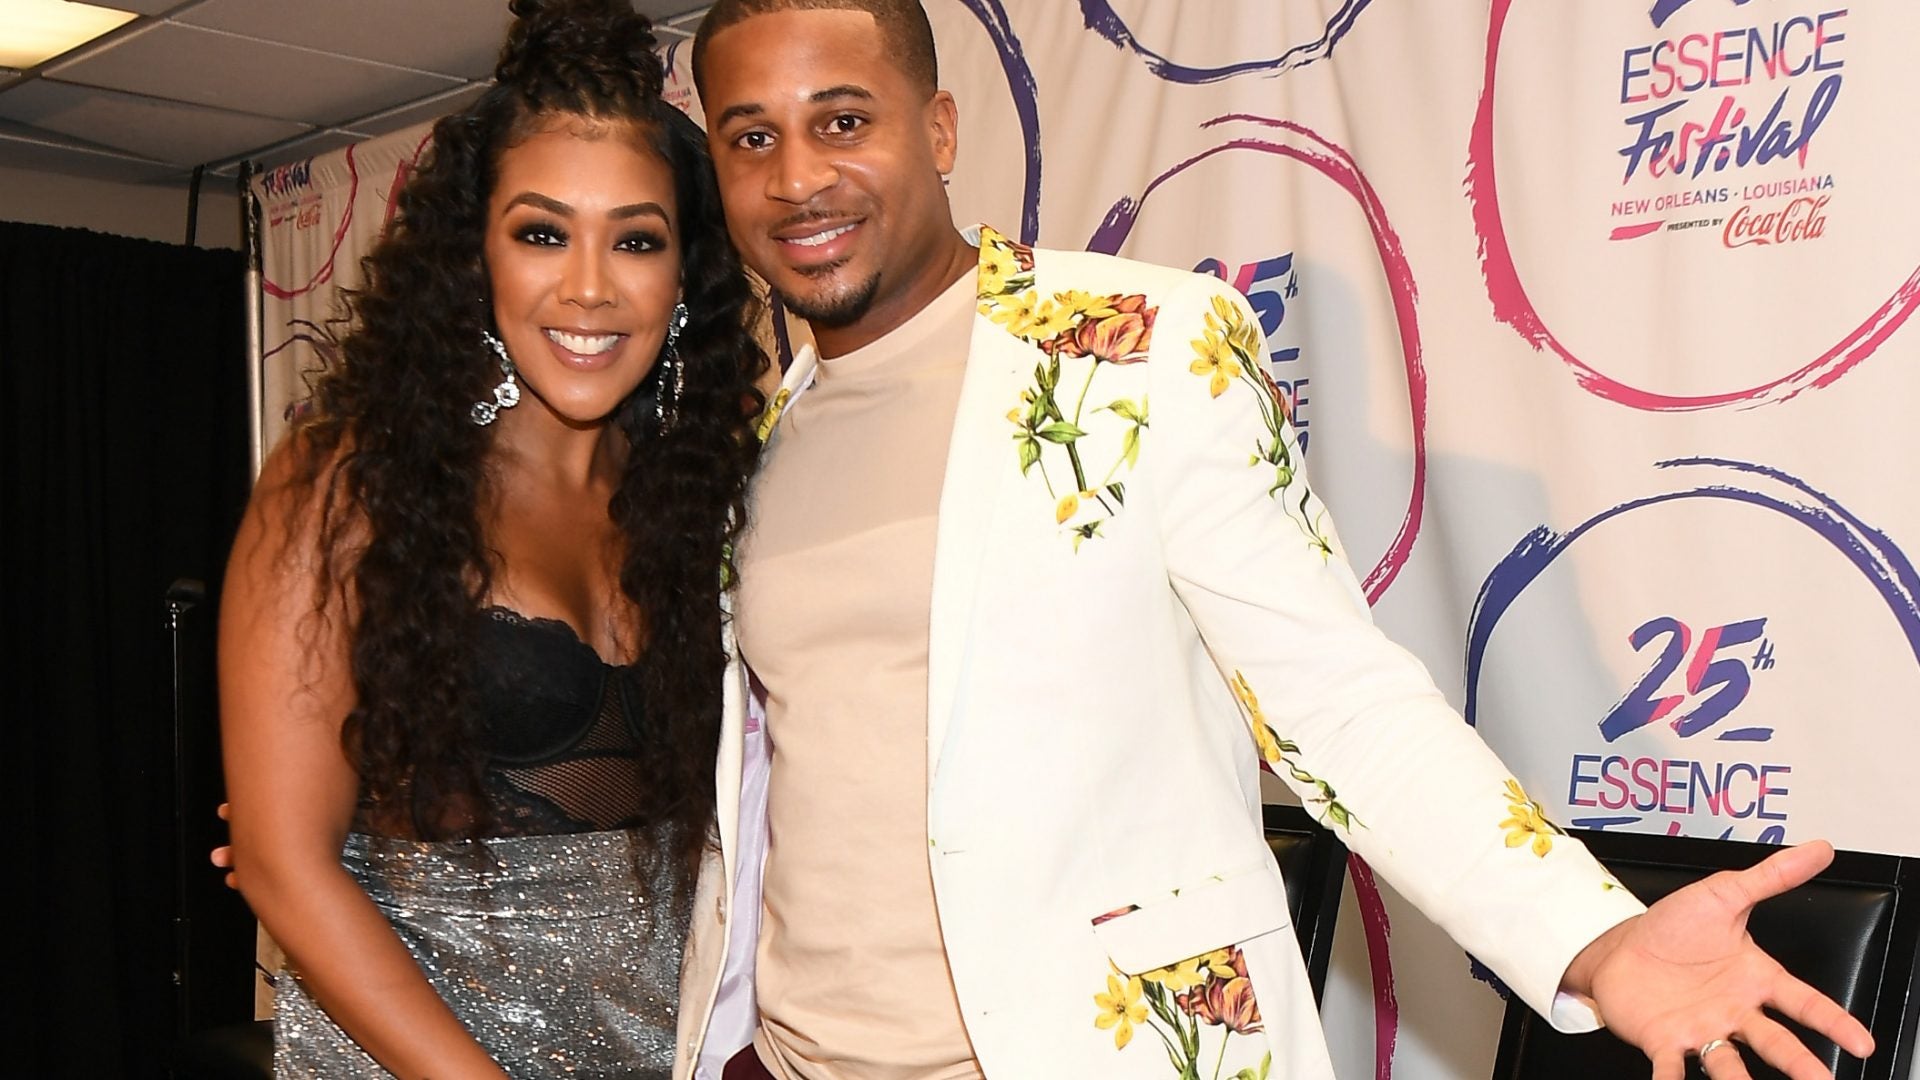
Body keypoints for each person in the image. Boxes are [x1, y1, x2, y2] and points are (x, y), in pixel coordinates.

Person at [673, 3, 1879, 1080]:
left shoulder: (1140, 345)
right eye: (750, 137)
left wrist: (1595, 937)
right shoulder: (763, 440)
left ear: (938, 129)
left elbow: (1338, 702)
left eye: (842, 121)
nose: (798, 178)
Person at [217, 1, 764, 1075]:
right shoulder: (345, 485)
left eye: (636, 240)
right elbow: (282, 864)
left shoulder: (711, 497)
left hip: (668, 1049)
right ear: (476, 256)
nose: (590, 287)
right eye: (542, 233)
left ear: (682, 277)